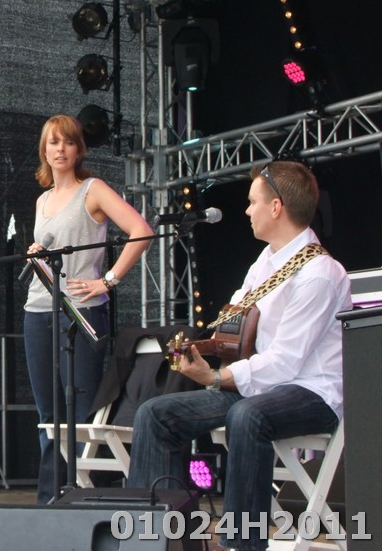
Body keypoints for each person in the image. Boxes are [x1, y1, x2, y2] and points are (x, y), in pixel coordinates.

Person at [127, 160, 352, 550]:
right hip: (262, 388)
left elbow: (285, 362)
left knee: (246, 415)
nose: (247, 210)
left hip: (312, 391)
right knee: (154, 414)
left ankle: (242, 544)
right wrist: (201, 349)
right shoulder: (266, 262)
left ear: (276, 207)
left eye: (252, 202)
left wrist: (215, 378)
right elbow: (233, 325)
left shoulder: (319, 273)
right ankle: (157, 541)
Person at [23, 114, 153, 504]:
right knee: (48, 412)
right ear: (44, 150)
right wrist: (39, 257)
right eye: (53, 142)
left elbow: (141, 231)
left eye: (67, 142)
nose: (60, 149)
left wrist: (107, 279)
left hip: (81, 310)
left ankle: (79, 496)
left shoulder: (92, 190)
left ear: (79, 149)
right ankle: (50, 499)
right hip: (38, 308)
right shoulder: (42, 199)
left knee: (79, 408)